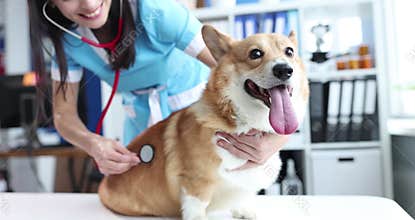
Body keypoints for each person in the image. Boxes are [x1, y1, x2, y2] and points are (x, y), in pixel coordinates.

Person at [28, 0, 289, 175]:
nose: (88, 4)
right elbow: (64, 117)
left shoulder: (156, 10)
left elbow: (240, 70)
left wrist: (277, 140)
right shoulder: (65, 41)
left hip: (204, 115)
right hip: (143, 124)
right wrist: (94, 144)